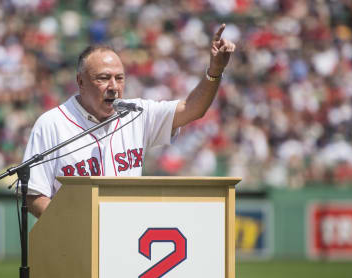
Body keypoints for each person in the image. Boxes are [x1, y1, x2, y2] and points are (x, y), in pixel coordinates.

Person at [23, 24, 236, 218]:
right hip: (75, 246)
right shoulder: (52, 123)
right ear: (81, 81)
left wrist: (215, 71)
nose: (114, 86)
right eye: (104, 78)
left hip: (128, 239)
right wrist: (77, 228)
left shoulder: (136, 113)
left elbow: (192, 109)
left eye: (120, 78)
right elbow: (33, 195)